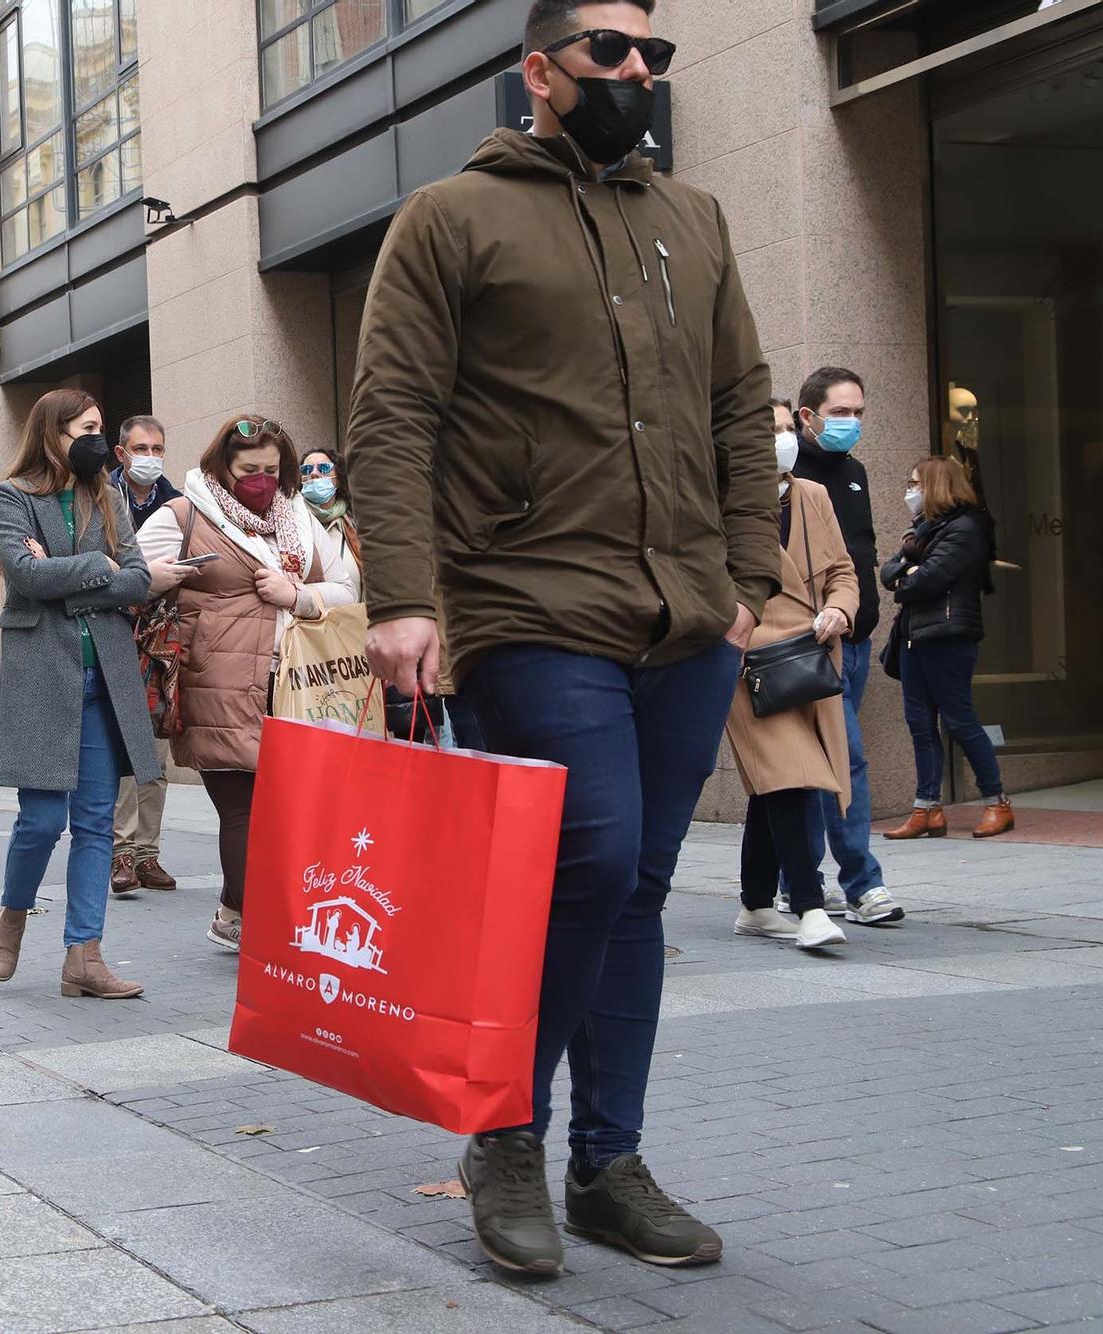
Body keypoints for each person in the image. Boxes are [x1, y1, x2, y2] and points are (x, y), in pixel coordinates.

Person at [346, 0, 780, 1276]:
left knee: (635, 883)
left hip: (682, 609)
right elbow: (391, 413)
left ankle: (606, 1160)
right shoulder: (450, 217)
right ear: (539, 72)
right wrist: (403, 599)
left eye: (653, 53)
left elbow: (740, 399)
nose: (636, 71)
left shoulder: (689, 219)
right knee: (585, 859)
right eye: (609, 52)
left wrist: (746, 569)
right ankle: (502, 1130)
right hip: (524, 597)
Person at [140, 416, 360, 948]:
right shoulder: (186, 513)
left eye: (272, 469)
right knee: (242, 809)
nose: (262, 479)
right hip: (215, 681)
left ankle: (233, 914)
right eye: (249, 469)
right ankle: (266, 933)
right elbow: (133, 573)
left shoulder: (299, 519)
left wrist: (299, 596)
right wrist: (165, 577)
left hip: (293, 684)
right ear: (224, 467)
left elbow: (348, 587)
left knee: (280, 811)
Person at [0, 389, 168, 999]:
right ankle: (13, 914)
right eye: (87, 428)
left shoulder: (108, 494)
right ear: (53, 432)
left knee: (94, 823)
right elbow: (24, 576)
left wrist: (87, 575)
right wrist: (100, 571)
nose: (99, 439)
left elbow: (139, 578)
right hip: (42, 675)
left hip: (101, 681)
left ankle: (83, 957)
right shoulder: (13, 496)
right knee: (40, 821)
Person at [726, 444, 857, 952]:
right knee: (791, 777)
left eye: (782, 429)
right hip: (750, 662)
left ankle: (756, 903)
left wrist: (841, 609)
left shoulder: (813, 496)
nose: (778, 439)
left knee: (772, 785)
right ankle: (809, 905)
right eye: (767, 429)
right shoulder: (725, 502)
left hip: (812, 658)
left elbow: (842, 571)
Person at [787, 371, 903, 926]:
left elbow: (860, 549)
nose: (852, 423)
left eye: (859, 411)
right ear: (807, 416)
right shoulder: (790, 475)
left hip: (856, 636)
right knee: (844, 760)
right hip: (812, 641)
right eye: (841, 412)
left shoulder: (854, 472)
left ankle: (796, 879)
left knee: (824, 762)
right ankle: (862, 883)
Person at [881, 455, 1012, 840]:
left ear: (937, 486)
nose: (910, 490)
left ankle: (997, 802)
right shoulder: (920, 530)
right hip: (913, 635)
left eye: (916, 483)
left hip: (948, 635)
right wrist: (908, 568)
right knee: (919, 724)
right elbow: (890, 573)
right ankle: (927, 808)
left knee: (959, 720)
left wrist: (907, 573)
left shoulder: (966, 528)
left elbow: (927, 582)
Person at [110, 413, 183, 893]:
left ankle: (148, 853)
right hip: (115, 633)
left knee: (153, 752)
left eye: (158, 449)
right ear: (122, 454)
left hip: (161, 640)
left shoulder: (177, 504)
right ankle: (121, 854)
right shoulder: (100, 499)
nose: (151, 458)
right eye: (142, 449)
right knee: (121, 751)